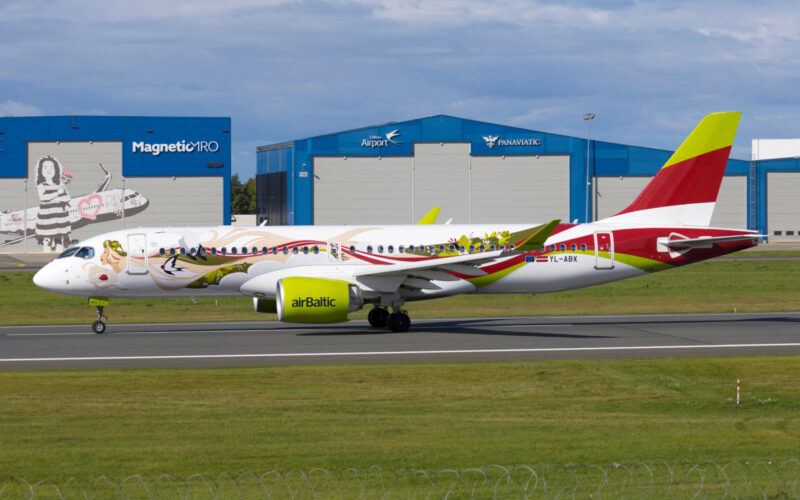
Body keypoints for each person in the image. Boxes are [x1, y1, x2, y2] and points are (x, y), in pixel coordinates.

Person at [35, 155, 72, 252]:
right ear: (40, 170)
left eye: (52, 167)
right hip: (47, 217)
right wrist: (57, 194)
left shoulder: (60, 184)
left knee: (59, 240)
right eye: (45, 167)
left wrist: (55, 197)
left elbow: (67, 197)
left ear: (56, 170)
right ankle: (45, 260)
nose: (49, 170)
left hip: (60, 217)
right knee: (46, 240)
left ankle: (58, 259)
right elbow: (43, 197)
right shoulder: (41, 185)